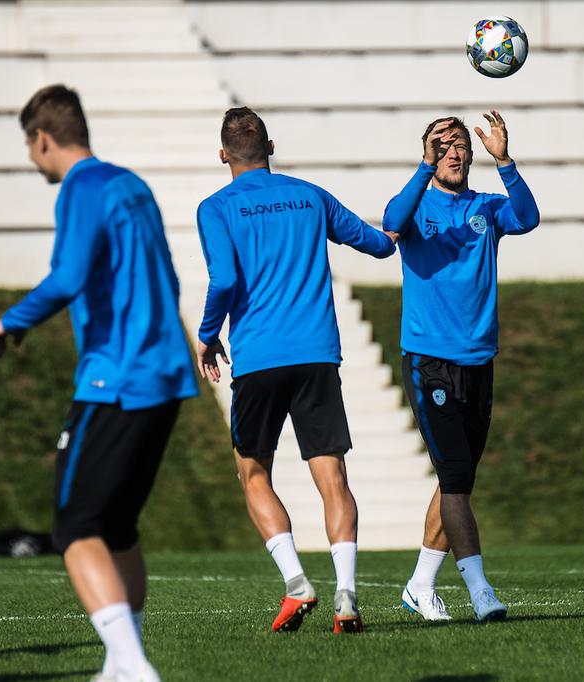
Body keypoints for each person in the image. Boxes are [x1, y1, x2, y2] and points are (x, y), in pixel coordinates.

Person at [0, 84, 199, 682]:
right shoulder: (132, 185)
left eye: (29, 147)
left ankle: (132, 665)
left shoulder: (82, 187)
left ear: (42, 138)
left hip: (115, 380)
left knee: (75, 527)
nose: (32, 160)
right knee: (118, 528)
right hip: (165, 377)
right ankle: (119, 662)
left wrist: (11, 321)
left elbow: (68, 275)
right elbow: (168, 278)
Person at [194, 107, 396, 634]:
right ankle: (346, 596)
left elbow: (223, 278)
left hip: (258, 359)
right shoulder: (310, 195)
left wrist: (208, 333)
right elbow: (378, 243)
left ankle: (296, 584)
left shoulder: (215, 208)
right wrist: (417, 188)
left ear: (222, 155)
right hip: (316, 356)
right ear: (272, 147)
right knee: (332, 478)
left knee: (253, 472)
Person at [382, 111, 540, 622]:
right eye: (441, 144)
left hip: (479, 360)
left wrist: (506, 161)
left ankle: (420, 585)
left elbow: (529, 217)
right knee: (453, 477)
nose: (453, 151)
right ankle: (479, 590)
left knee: (458, 481)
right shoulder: (416, 203)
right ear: (430, 152)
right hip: (430, 360)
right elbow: (391, 223)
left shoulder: (487, 208)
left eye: (458, 145)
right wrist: (422, 166)